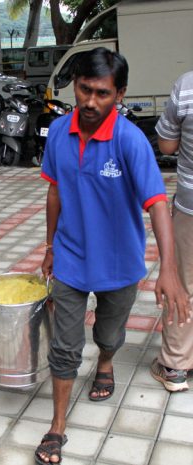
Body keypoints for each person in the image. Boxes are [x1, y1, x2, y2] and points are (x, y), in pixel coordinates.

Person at [35, 47, 190, 465]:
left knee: (109, 334)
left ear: (119, 94)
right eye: (84, 89)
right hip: (70, 258)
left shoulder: (130, 141)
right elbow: (54, 190)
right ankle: (57, 426)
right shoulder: (59, 132)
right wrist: (50, 246)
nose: (90, 101)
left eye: (102, 93)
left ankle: (105, 362)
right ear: (74, 86)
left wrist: (169, 270)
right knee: (65, 348)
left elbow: (158, 202)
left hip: (120, 264)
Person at [150, 71, 193, 392]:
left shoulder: (187, 86)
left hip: (190, 208)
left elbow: (165, 145)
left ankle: (176, 366)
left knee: (183, 283)